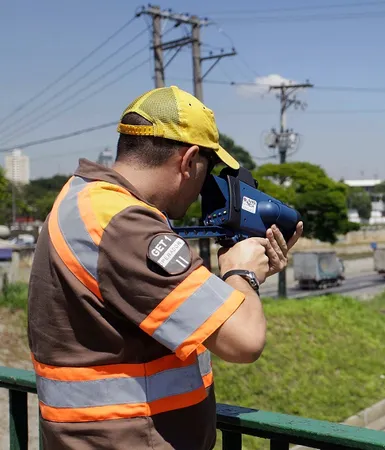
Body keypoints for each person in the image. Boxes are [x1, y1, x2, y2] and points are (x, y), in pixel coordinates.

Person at [27, 85, 303, 450]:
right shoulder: (125, 227)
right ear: (189, 161)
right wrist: (241, 274)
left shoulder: (81, 199)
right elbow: (245, 342)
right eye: (207, 172)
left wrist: (247, 270)